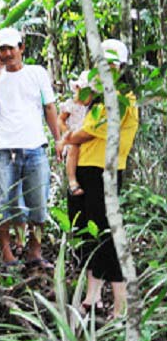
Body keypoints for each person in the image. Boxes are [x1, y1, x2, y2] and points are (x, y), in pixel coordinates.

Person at [63, 39, 138, 318]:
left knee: (106, 237)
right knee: (91, 234)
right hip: (87, 169)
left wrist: (65, 136)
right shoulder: (101, 98)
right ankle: (92, 296)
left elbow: (81, 133)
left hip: (104, 172)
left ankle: (121, 307)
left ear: (120, 67)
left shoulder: (120, 98)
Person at [0, 27, 61, 269]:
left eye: (10, 48)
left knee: (38, 203)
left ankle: (34, 252)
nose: (6, 53)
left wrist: (58, 139)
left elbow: (49, 108)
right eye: (2, 49)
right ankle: (7, 253)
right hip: (4, 149)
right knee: (4, 204)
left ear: (21, 48)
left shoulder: (37, 73)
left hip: (34, 147)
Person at [58, 70, 92, 196]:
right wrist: (66, 132)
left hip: (85, 135)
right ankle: (72, 181)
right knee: (73, 148)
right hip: (72, 136)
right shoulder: (71, 105)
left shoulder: (91, 107)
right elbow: (60, 119)